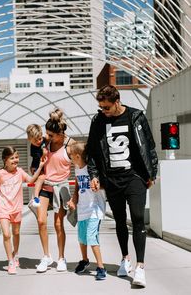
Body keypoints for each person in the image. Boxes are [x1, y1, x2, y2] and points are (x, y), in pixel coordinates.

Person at [87, 85, 158, 288]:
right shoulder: (98, 121)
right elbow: (92, 151)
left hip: (134, 176)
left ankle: (140, 267)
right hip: (111, 179)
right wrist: (94, 175)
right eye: (100, 107)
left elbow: (149, 146)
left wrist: (152, 173)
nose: (103, 111)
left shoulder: (136, 117)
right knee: (119, 220)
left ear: (117, 102)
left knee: (137, 218)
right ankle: (125, 258)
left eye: (106, 107)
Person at [0, 146, 46, 275]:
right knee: (6, 234)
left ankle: (16, 254)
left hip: (16, 208)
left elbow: (31, 180)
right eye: (12, 158)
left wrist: (41, 167)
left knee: (16, 233)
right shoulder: (0, 174)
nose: (15, 160)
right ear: (5, 160)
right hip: (3, 208)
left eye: (16, 157)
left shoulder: (20, 171)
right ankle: (10, 261)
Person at [35, 108, 75, 273]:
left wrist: (77, 196)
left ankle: (61, 258)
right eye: (47, 134)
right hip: (46, 186)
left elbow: (81, 167)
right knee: (41, 221)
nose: (47, 137)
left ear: (60, 133)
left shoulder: (70, 144)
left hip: (61, 188)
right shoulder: (46, 142)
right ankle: (46, 256)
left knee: (58, 224)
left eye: (51, 135)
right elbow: (33, 139)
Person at [67, 141, 107, 280]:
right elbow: (78, 186)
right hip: (82, 209)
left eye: (71, 156)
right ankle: (84, 260)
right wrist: (73, 199)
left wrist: (98, 186)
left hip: (94, 209)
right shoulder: (77, 169)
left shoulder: (92, 169)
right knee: (82, 238)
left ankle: (101, 267)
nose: (70, 158)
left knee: (91, 237)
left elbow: (104, 185)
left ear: (77, 156)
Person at [26, 124, 48, 208]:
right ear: (30, 140)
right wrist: (43, 154)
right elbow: (39, 160)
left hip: (43, 166)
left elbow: (48, 138)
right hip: (37, 167)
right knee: (41, 178)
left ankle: (37, 198)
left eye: (40, 139)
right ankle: (35, 198)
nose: (39, 141)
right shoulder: (33, 148)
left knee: (44, 184)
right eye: (35, 141)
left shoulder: (44, 139)